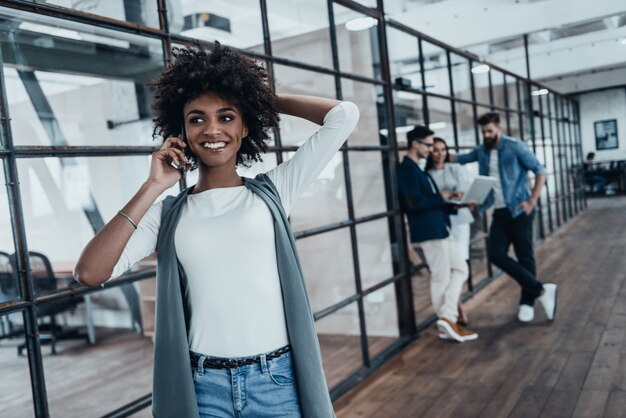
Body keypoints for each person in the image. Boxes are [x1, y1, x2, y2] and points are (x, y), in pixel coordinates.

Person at [74, 43, 359, 418]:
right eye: (196, 119)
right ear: (182, 130)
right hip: (203, 387)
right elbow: (91, 272)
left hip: (274, 381)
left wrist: (254, 98)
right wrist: (153, 186)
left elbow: (343, 115)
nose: (212, 129)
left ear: (245, 126)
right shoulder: (168, 214)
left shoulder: (275, 191)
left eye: (226, 117)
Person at [452, 112, 557, 323]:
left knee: (524, 256)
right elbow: (460, 159)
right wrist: (435, 153)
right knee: (497, 254)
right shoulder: (482, 151)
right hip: (499, 212)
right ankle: (541, 290)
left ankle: (526, 303)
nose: (487, 135)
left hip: (519, 210)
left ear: (499, 128)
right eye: (483, 132)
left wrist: (532, 200)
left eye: (490, 131)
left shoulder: (514, 146)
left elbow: (540, 170)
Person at [396, 125, 478, 343]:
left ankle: (447, 317)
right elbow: (414, 203)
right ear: (415, 144)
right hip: (429, 231)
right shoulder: (406, 169)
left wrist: (455, 204)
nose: (431, 149)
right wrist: (442, 196)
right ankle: (446, 322)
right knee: (440, 276)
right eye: (429, 144)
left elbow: (431, 202)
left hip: (440, 228)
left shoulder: (417, 168)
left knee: (461, 268)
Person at [426, 136, 475, 325]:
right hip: (442, 223)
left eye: (443, 150)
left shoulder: (455, 169)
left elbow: (463, 192)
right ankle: (454, 310)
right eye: (436, 150)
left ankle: (453, 309)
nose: (440, 154)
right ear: (430, 152)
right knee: (449, 268)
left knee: (460, 266)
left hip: (460, 222)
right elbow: (434, 199)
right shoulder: (428, 174)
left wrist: (449, 196)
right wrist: (445, 197)